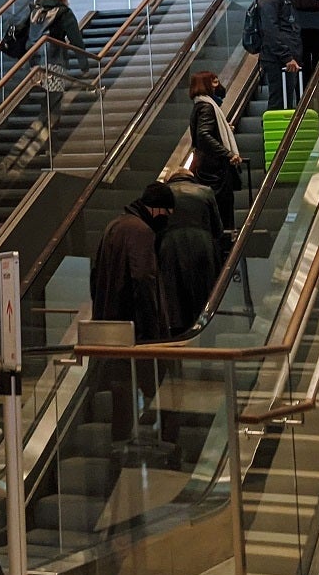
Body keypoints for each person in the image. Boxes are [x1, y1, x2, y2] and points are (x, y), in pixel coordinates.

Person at [90, 178, 175, 442]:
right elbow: (143, 280)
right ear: (156, 209)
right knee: (161, 389)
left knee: (121, 390)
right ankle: (161, 441)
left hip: (110, 327)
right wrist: (152, 333)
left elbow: (95, 276)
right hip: (135, 331)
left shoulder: (114, 226)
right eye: (167, 212)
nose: (168, 218)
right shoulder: (141, 232)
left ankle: (119, 442)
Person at [157, 168, 228, 333]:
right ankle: (205, 331)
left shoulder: (163, 193)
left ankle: (177, 337)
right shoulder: (206, 191)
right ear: (191, 177)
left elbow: (156, 225)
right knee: (204, 293)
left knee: (174, 296)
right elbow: (218, 229)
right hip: (203, 246)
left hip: (170, 246)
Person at [187, 69, 243, 230]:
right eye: (214, 81)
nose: (217, 85)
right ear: (205, 84)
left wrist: (223, 130)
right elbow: (203, 135)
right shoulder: (206, 107)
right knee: (223, 210)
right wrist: (228, 153)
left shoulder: (200, 105)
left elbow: (205, 133)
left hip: (206, 165)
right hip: (215, 169)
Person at [254, 0, 304, 112]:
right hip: (278, 59)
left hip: (287, 56)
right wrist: (286, 56)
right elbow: (270, 30)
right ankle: (274, 136)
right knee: (278, 103)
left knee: (286, 102)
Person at [30, 0, 89, 80]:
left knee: (40, 92)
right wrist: (84, 66)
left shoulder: (35, 11)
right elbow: (76, 40)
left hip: (35, 60)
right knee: (54, 93)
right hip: (56, 59)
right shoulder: (64, 13)